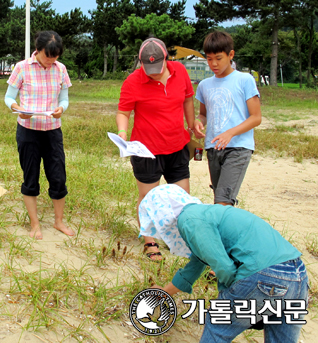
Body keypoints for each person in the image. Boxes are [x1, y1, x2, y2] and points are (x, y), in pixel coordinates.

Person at [139, 184, 308, 343]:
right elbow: (194, 268)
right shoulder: (208, 214)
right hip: (297, 276)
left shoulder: (190, 219)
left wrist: (229, 297)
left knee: (217, 328)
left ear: (160, 213)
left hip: (263, 275)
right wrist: (165, 292)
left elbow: (224, 267)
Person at [116, 37, 195, 260]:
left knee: (182, 197)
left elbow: (188, 99)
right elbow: (123, 112)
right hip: (146, 150)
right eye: (147, 68)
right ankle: (150, 241)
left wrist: (191, 125)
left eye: (157, 68)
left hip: (177, 145)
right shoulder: (133, 81)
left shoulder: (180, 71)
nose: (152, 72)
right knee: (148, 197)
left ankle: (180, 237)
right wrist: (123, 133)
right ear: (140, 62)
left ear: (166, 60)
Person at [4, 30, 74, 240]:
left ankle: (59, 221)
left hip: (52, 131)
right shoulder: (21, 67)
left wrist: (62, 109)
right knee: (30, 176)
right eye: (47, 56)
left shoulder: (60, 69)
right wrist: (17, 108)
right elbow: (8, 97)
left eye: (55, 56)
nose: (51, 60)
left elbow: (64, 99)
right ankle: (35, 224)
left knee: (58, 176)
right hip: (28, 131)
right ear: (38, 50)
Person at [193, 31, 262, 206]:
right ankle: (228, 232)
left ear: (231, 55)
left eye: (218, 58)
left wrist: (230, 133)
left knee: (223, 201)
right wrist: (198, 122)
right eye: (209, 59)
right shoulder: (204, 85)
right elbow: (203, 115)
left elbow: (256, 117)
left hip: (238, 147)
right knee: (220, 198)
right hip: (213, 148)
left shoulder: (244, 80)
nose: (214, 64)